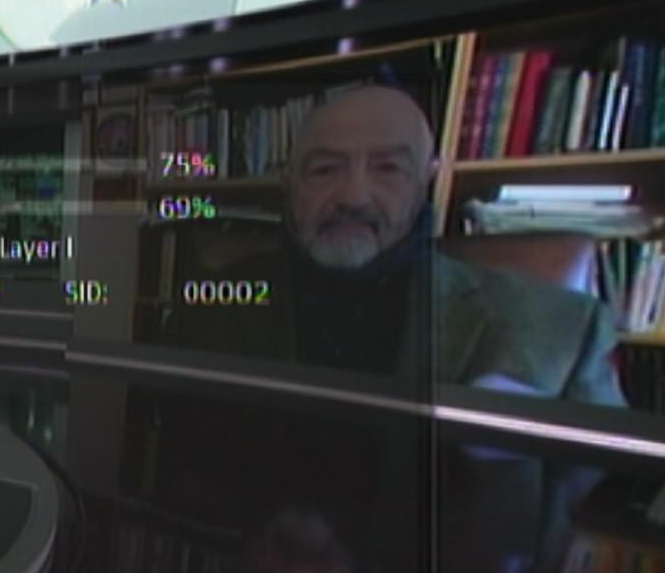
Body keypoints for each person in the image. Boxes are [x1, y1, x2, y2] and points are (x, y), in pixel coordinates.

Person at [177, 84, 625, 406]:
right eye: (324, 171)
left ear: (426, 180)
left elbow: (613, 495)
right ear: (288, 183)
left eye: (388, 169)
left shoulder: (563, 331)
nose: (353, 197)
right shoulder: (213, 307)